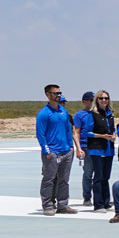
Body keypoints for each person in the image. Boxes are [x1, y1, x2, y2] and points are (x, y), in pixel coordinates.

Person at [36, 84, 79, 216]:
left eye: (60, 93)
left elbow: (68, 129)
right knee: (49, 179)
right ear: (48, 95)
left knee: (64, 179)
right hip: (52, 152)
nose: (58, 95)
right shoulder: (44, 114)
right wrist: (47, 150)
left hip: (66, 151)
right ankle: (48, 205)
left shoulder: (63, 111)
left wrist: (71, 147)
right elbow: (40, 134)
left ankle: (63, 205)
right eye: (55, 93)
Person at [77, 91, 116, 212]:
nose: (104, 100)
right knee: (98, 176)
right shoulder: (92, 114)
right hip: (96, 148)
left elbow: (112, 128)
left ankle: (106, 202)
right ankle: (98, 204)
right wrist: (102, 136)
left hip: (109, 149)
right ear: (97, 100)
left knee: (106, 176)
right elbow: (87, 132)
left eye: (106, 98)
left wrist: (113, 135)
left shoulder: (110, 114)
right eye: (101, 98)